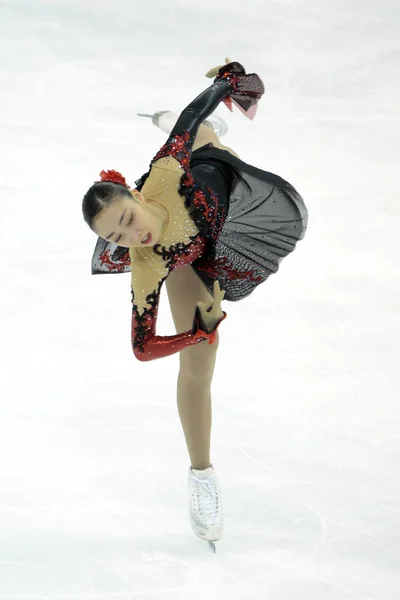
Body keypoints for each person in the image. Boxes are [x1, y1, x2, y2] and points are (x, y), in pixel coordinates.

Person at [82, 59, 308, 550]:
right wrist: (197, 333)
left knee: (206, 138)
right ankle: (202, 477)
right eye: (117, 236)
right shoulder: (146, 263)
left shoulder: (166, 170)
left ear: (135, 194)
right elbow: (143, 347)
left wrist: (229, 80)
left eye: (125, 217)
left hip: (213, 185)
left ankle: (200, 133)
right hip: (186, 255)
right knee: (199, 364)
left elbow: (192, 109)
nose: (130, 234)